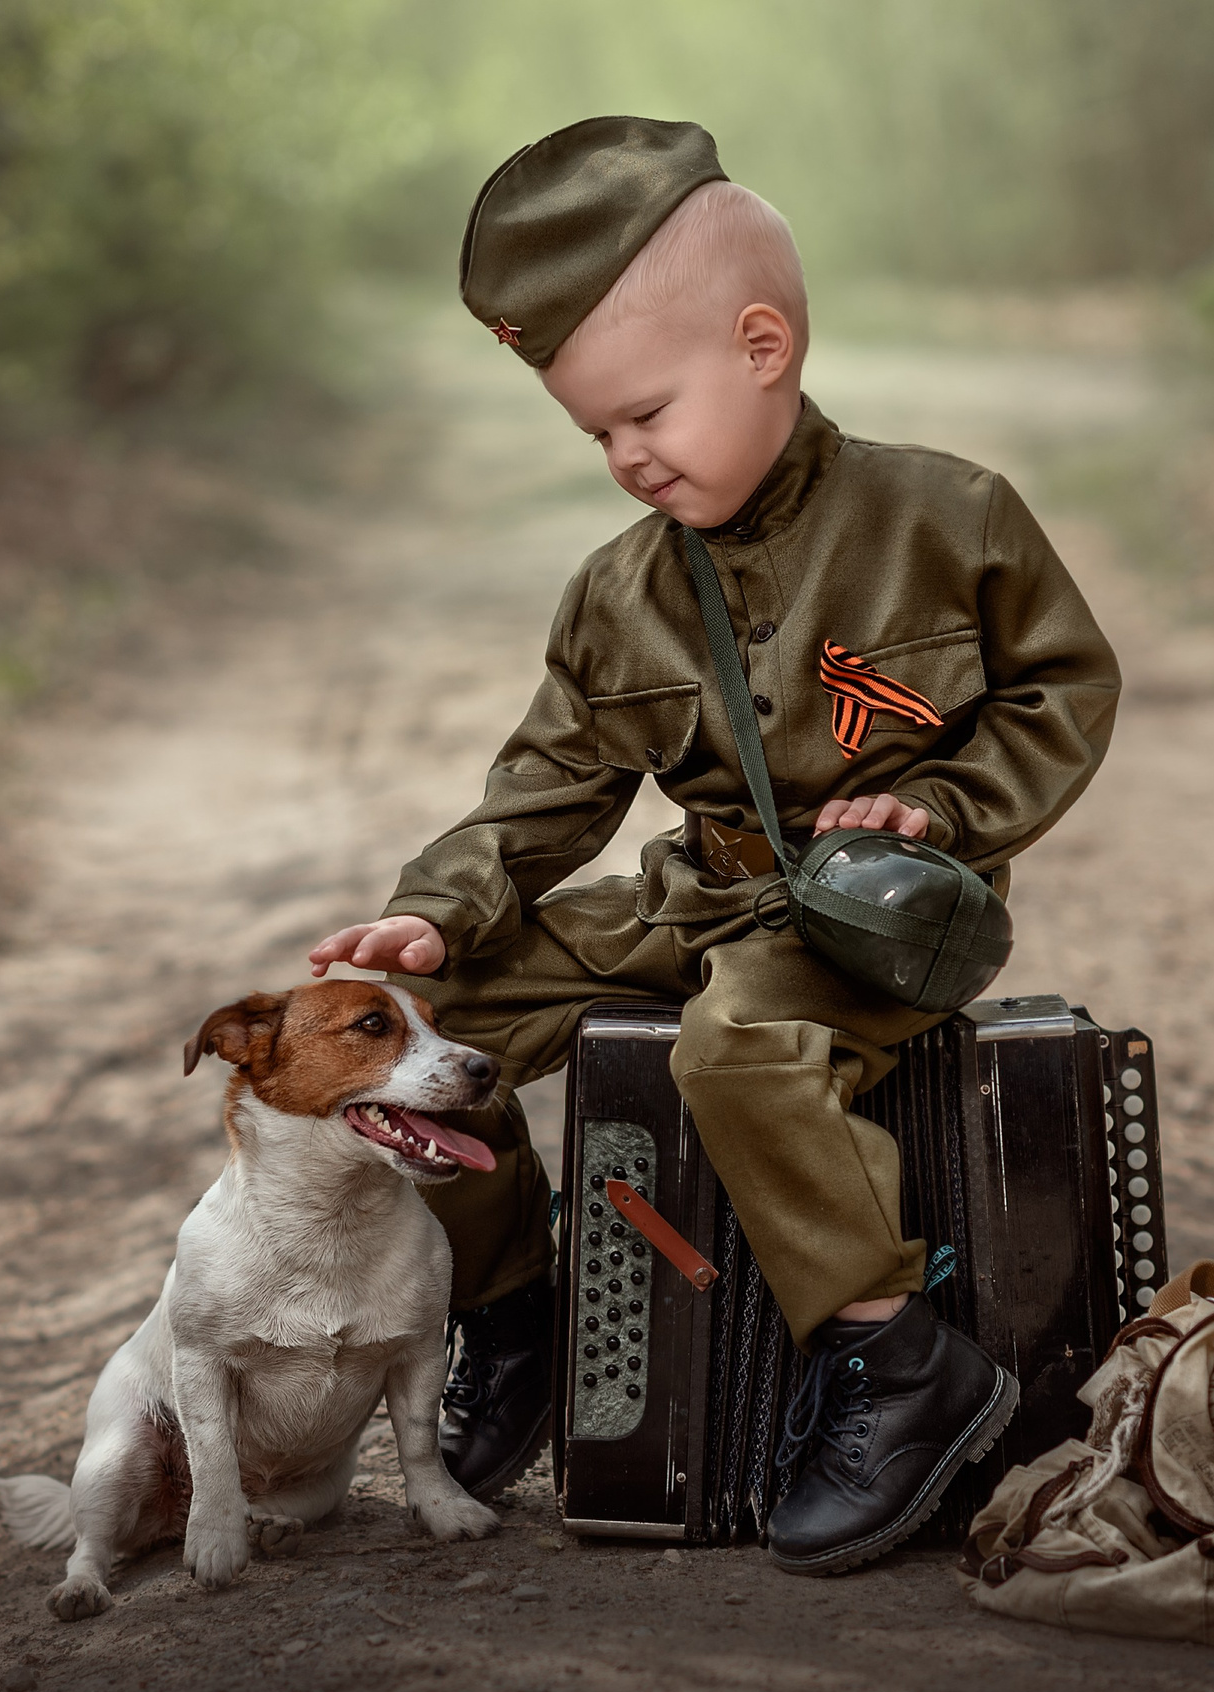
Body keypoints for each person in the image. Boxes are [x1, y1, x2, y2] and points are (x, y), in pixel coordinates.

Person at [307, 117, 1121, 1574]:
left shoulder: (947, 517)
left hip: (872, 915)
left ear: (764, 345)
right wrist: (435, 911)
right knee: (436, 1029)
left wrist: (949, 806)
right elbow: (550, 780)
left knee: (734, 1047)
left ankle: (893, 1353)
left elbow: (1064, 686)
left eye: (646, 414)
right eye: (596, 433)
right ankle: (512, 1305)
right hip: (709, 888)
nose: (626, 457)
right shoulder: (620, 593)